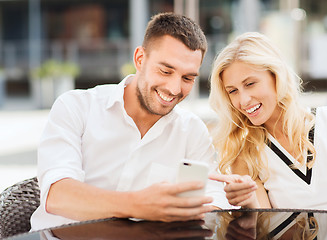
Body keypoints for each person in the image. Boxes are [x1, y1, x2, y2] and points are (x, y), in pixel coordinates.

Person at [30, 12, 233, 231]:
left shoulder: (192, 130)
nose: (174, 89)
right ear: (139, 59)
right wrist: (139, 206)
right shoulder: (76, 107)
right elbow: (57, 196)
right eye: (165, 71)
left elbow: (213, 198)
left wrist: (231, 198)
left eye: (187, 78)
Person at [208, 32, 327, 213]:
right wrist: (248, 201)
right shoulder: (246, 155)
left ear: (276, 76)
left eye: (250, 84)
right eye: (232, 91)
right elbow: (263, 226)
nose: (243, 100)